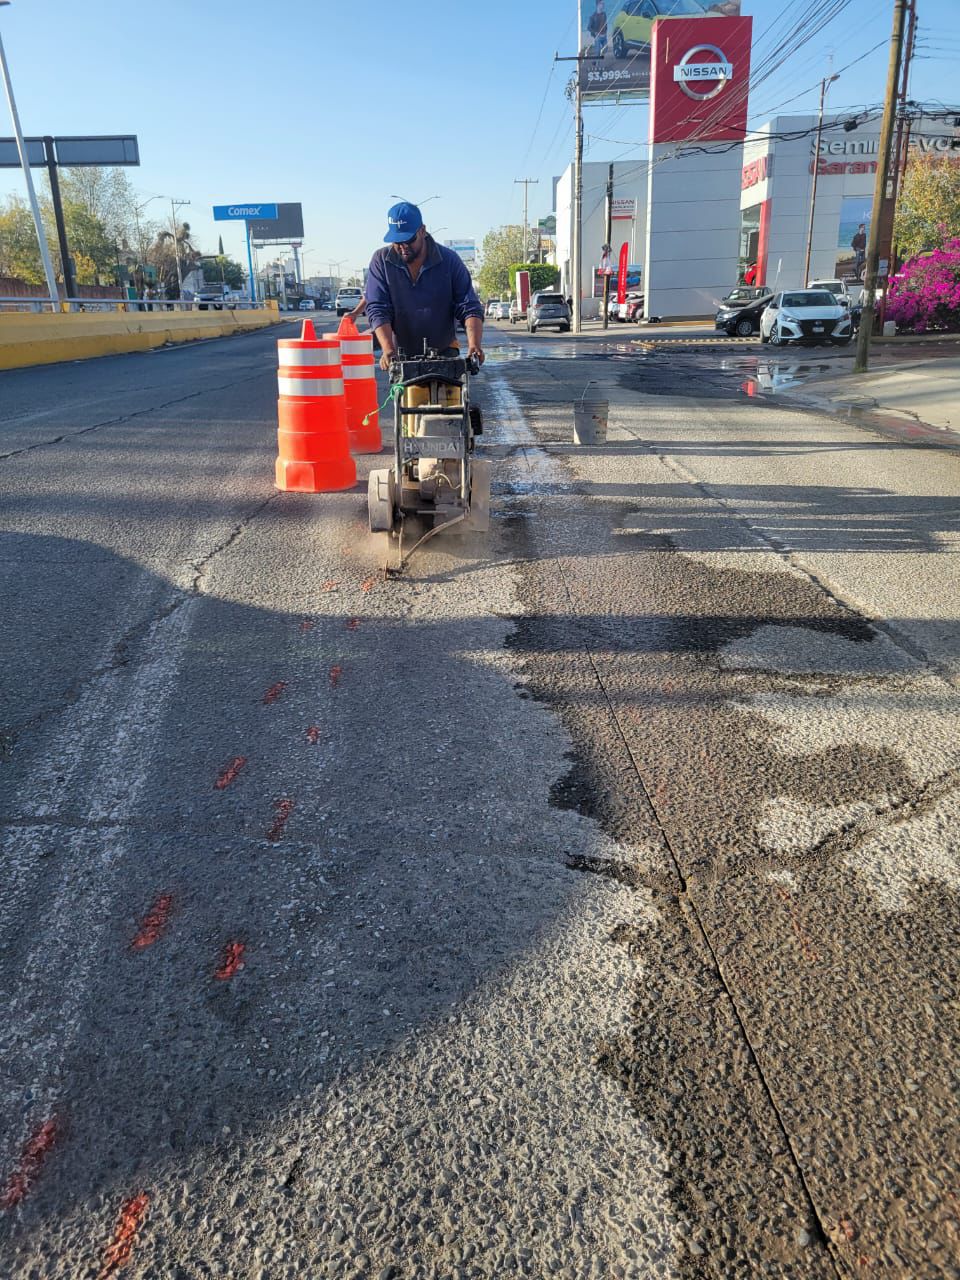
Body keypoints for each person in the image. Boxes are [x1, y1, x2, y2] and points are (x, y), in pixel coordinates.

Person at [365, 202, 484, 373]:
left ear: (422, 230)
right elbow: (378, 308)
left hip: (445, 351)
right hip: (401, 355)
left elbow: (469, 306)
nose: (403, 247)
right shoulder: (381, 261)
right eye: (397, 241)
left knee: (452, 389)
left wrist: (474, 345)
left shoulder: (449, 260)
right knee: (405, 390)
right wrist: (388, 349)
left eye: (409, 240)